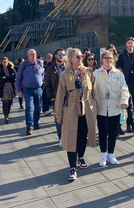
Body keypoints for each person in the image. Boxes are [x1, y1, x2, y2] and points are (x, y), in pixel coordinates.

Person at [54, 48, 97, 181]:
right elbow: (60, 95)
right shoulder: (65, 75)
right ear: (71, 58)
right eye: (78, 56)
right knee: (71, 137)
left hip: (86, 108)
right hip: (71, 108)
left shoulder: (88, 72)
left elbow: (94, 92)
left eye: (81, 56)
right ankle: (72, 167)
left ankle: (81, 157)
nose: (80, 58)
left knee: (83, 135)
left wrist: (96, 108)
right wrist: (58, 114)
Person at [94, 50, 129, 167]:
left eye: (110, 58)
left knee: (113, 132)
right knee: (103, 132)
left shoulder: (119, 74)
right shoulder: (96, 73)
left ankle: (111, 153)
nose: (108, 60)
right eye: (106, 58)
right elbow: (92, 90)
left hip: (115, 107)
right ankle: (103, 154)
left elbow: (124, 88)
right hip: (101, 108)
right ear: (102, 60)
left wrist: (124, 101)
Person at [116, 37, 134, 135]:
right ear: (126, 45)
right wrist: (120, 71)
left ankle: (129, 123)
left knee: (133, 102)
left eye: (132, 43)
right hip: (125, 82)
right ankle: (131, 124)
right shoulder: (123, 55)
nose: (130, 45)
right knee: (128, 103)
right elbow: (118, 66)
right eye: (128, 43)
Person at [16, 49, 44, 135]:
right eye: (31, 54)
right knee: (29, 107)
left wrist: (42, 83)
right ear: (28, 56)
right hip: (27, 89)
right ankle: (29, 126)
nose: (33, 56)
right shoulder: (23, 64)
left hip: (38, 89)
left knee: (38, 107)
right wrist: (19, 91)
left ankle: (36, 122)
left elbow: (43, 74)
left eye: (34, 54)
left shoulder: (40, 63)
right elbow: (18, 78)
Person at [43, 48, 66, 147]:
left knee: (68, 118)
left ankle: (67, 136)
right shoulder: (50, 68)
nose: (61, 55)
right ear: (55, 55)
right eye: (59, 53)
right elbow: (46, 83)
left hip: (67, 97)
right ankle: (61, 138)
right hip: (56, 97)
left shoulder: (68, 67)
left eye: (63, 54)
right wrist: (51, 97)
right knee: (58, 119)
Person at [0, 57, 17, 124]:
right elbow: (0, 79)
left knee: (9, 102)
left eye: (6, 61)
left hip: (10, 87)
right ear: (1, 63)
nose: (5, 63)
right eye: (3, 62)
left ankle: (7, 113)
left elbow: (14, 76)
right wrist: (8, 78)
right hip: (3, 87)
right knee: (5, 102)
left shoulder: (11, 68)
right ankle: (6, 116)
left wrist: (6, 78)